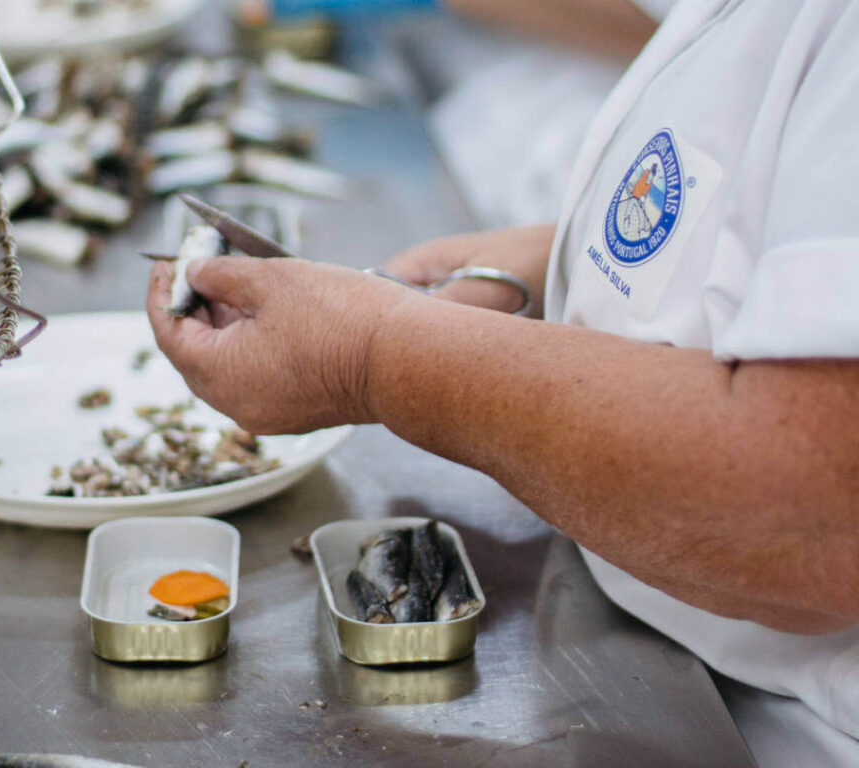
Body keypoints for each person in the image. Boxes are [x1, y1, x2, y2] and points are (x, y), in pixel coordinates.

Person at [147, 0, 858, 765]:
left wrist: (380, 356)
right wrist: (558, 263)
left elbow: (806, 516)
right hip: (633, 630)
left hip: (767, 728)